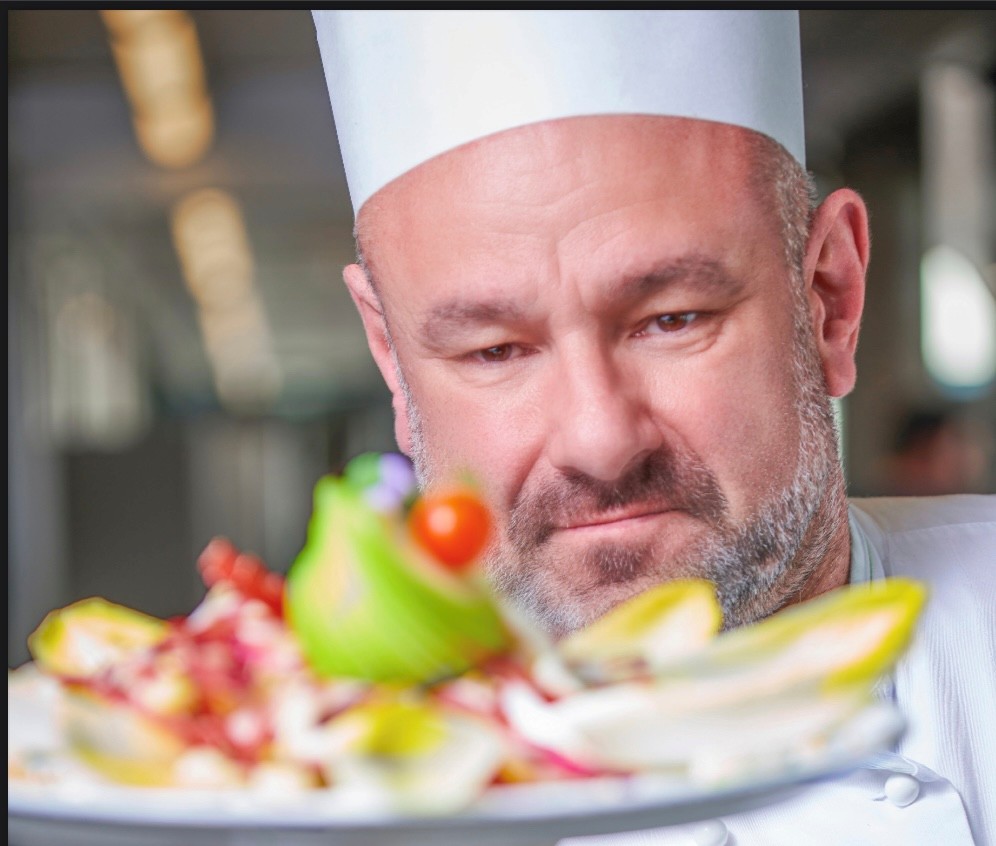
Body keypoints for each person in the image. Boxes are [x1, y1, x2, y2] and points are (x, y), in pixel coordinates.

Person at [311, 11, 995, 845]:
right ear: (393, 362)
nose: (599, 442)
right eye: (495, 350)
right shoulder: (298, 778)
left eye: (672, 319)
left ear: (830, 299)